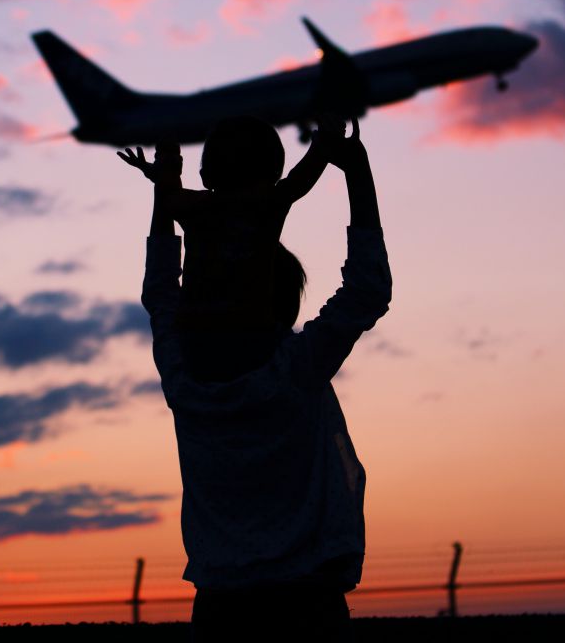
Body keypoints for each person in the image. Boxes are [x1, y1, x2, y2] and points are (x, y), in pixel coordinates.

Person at [136, 118, 391, 641]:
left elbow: (161, 292)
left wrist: (166, 186)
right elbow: (367, 291)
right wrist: (355, 172)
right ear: (284, 300)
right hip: (306, 601)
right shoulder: (295, 370)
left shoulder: (184, 380)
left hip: (220, 605)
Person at [119, 116, 329, 350]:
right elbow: (302, 177)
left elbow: (168, 196)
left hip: (196, 341)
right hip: (252, 336)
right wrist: (324, 142)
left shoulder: (195, 206)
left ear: (206, 175)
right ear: (273, 174)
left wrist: (166, 164)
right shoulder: (267, 205)